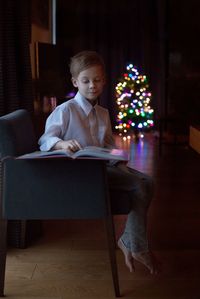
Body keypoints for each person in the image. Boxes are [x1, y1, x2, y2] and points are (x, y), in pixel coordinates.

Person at [38, 50, 160, 274]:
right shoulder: (65, 110)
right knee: (142, 184)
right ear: (75, 82)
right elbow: (45, 139)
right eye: (85, 81)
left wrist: (117, 158)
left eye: (96, 80)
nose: (92, 85)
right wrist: (62, 144)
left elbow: (107, 145)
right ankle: (136, 245)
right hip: (80, 173)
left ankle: (129, 241)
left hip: (102, 168)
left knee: (149, 182)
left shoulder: (103, 113)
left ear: (103, 81)